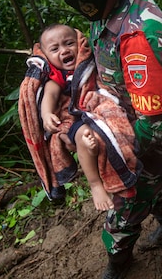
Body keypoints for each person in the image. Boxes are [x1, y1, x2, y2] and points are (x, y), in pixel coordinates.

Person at [33, 0, 162, 278]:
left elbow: (154, 124)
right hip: (124, 118)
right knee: (153, 188)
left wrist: (107, 154)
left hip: (148, 141)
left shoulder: (139, 37)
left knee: (121, 214)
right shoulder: (111, 5)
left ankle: (119, 264)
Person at [38, 23, 113, 211]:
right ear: (46, 56)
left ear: (79, 44)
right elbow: (50, 95)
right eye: (55, 49)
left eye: (69, 43)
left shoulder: (89, 62)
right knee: (83, 134)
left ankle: (93, 146)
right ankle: (95, 185)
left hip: (95, 111)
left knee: (104, 131)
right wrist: (47, 114)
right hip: (74, 119)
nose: (64, 50)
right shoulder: (57, 76)